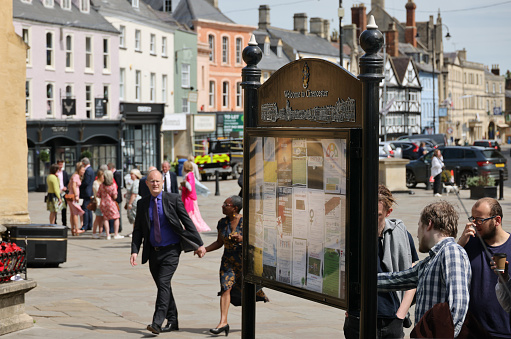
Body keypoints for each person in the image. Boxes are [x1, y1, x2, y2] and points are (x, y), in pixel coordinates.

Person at [377, 200, 471, 337]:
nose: (417, 235)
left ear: (429, 224)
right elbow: (395, 279)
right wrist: (359, 280)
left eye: (419, 226)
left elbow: (458, 306)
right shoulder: (431, 260)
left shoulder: (451, 251)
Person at [130, 170, 206, 335]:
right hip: (153, 252)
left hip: (171, 250)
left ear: (163, 182)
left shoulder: (173, 199)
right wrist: (135, 250)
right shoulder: (142, 203)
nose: (155, 184)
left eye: (158, 181)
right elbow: (138, 230)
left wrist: (199, 244)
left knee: (163, 284)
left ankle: (157, 323)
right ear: (147, 183)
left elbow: (187, 222)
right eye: (152, 181)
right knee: (163, 286)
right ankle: (173, 320)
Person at [344, 185, 418, 339]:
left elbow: (412, 276)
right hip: (358, 318)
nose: (370, 218)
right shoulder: (353, 234)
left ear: (388, 212)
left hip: (391, 319)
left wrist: (400, 315)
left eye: (376, 214)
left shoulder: (402, 234)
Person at [202, 196, 268, 336]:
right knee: (225, 288)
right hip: (228, 262)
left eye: (226, 204)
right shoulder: (222, 223)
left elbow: (260, 239)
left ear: (235, 208)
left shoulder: (247, 221)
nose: (222, 206)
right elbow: (219, 242)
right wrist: (205, 249)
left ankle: (248, 322)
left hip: (245, 263)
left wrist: (243, 239)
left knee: (246, 292)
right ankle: (223, 322)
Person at [458, 198, 511, 338]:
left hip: (505, 331)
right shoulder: (469, 243)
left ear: (497, 220)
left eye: (480, 220)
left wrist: (505, 278)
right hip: (473, 330)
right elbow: (445, 269)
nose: (474, 224)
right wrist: (460, 243)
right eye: (472, 219)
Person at [180, 161, 210, 233]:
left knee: (190, 214)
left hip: (189, 198)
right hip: (192, 197)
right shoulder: (191, 174)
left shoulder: (188, 175)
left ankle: (191, 227)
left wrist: (183, 186)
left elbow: (189, 187)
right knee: (195, 214)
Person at [97, 170, 123, 240]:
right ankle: (116, 234)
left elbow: (98, 195)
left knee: (105, 218)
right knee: (116, 217)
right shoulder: (113, 185)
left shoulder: (101, 185)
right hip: (111, 203)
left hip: (103, 203)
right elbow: (115, 196)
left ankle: (107, 235)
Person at [68, 162, 85, 236]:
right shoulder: (76, 176)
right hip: (73, 197)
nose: (83, 171)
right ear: (79, 169)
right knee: (75, 213)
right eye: (82, 170)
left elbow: (69, 185)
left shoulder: (74, 176)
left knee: (72, 213)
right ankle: (77, 229)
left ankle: (73, 229)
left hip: (70, 196)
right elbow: (74, 186)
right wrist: (76, 195)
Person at [126, 169, 143, 237]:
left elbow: (134, 194)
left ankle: (136, 232)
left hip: (134, 202)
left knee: (135, 218)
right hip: (133, 201)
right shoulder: (133, 182)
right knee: (134, 219)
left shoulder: (136, 182)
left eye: (132, 174)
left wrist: (130, 203)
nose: (130, 175)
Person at [107, 162, 123, 234]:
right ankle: (113, 228)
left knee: (117, 213)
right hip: (113, 197)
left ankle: (119, 227)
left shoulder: (117, 174)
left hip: (117, 197)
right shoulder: (113, 175)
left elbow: (118, 185)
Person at [80, 157, 94, 231]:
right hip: (89, 192)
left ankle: (85, 225)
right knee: (88, 209)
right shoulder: (91, 169)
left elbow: (86, 182)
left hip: (86, 192)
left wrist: (80, 185)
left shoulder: (88, 171)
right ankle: (89, 225)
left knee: (85, 209)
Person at [91, 169, 105, 239]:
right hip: (98, 202)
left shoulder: (102, 183)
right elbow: (97, 193)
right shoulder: (96, 183)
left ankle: (101, 231)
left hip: (103, 202)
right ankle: (94, 232)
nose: (103, 178)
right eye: (103, 176)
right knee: (97, 218)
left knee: (102, 218)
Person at [56, 159, 69, 227]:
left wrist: (65, 187)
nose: (61, 166)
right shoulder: (56, 173)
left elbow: (67, 182)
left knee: (64, 209)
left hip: (63, 193)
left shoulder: (64, 173)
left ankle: (64, 224)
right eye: (60, 164)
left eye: (62, 164)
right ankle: (54, 223)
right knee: (56, 208)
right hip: (57, 192)